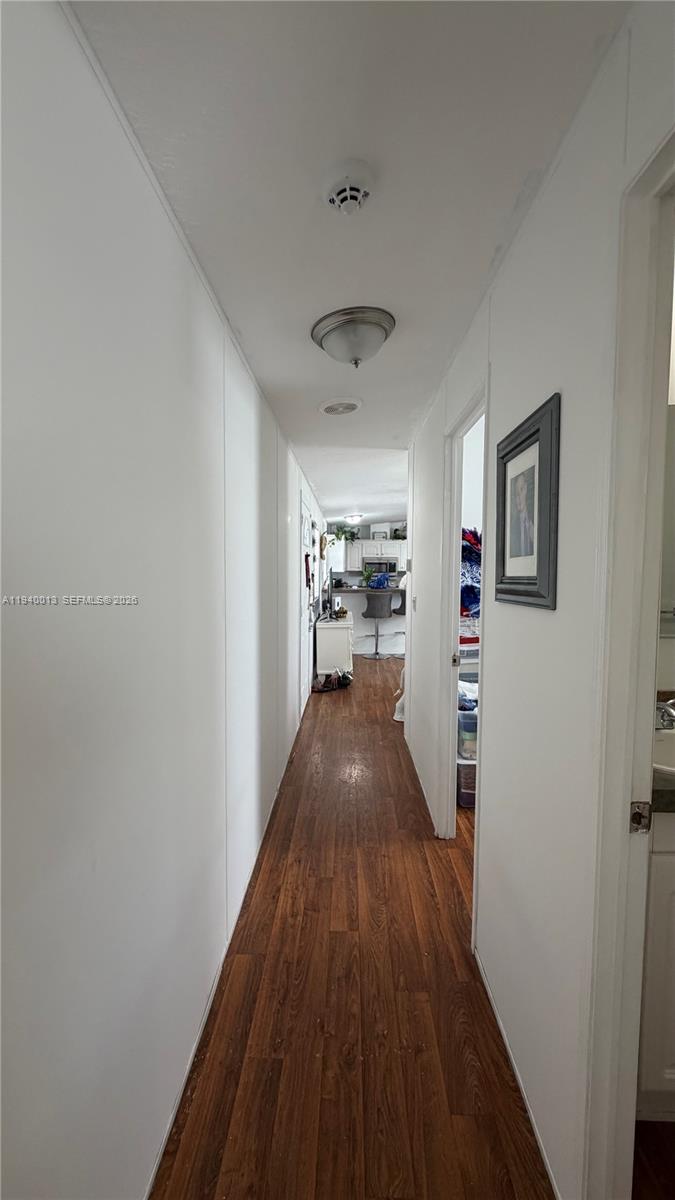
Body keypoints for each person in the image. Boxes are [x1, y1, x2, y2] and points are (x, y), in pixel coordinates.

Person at [510, 470, 534, 557]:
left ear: (526, 489)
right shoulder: (511, 528)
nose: (519, 497)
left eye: (521, 489)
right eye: (516, 494)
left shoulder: (534, 522)